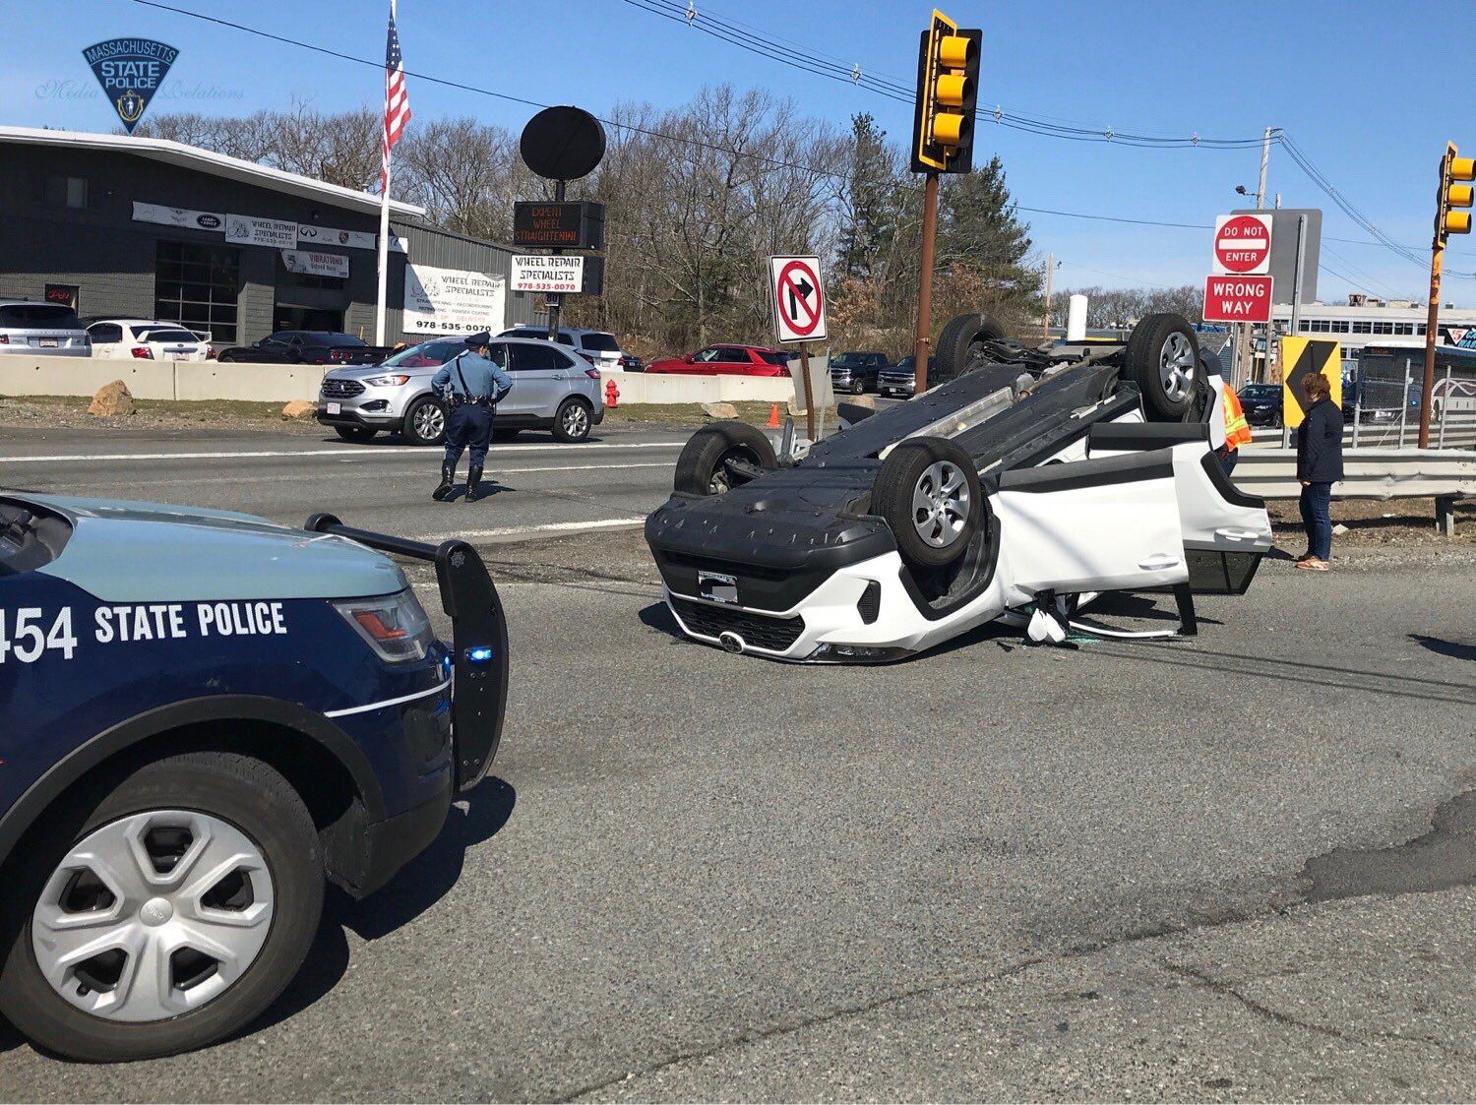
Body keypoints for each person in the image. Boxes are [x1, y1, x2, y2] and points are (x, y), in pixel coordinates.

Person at [431, 332, 512, 503]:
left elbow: (436, 381)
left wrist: (444, 398)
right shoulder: (489, 366)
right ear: (482, 349)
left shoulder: (455, 364)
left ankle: (447, 480)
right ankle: (471, 491)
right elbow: (506, 383)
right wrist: (495, 397)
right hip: (481, 412)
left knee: (453, 447)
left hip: (458, 410)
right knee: (478, 450)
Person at [1294, 371, 1344, 571]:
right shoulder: (1332, 409)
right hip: (1327, 468)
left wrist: (1306, 474)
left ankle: (1321, 556)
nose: (1304, 395)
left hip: (1318, 471)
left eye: (1306, 390)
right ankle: (1314, 550)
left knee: (1318, 513)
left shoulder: (1318, 413)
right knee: (1306, 507)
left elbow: (1312, 445)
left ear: (1312, 391)